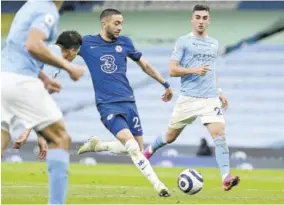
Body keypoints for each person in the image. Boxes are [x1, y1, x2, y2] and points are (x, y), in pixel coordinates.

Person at [143, 4, 240, 191]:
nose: (201, 21)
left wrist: (219, 91)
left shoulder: (213, 43)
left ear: (209, 20)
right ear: (192, 19)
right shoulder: (183, 42)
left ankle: (225, 177)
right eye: (198, 17)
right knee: (170, 137)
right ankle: (149, 150)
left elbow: (212, 71)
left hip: (210, 98)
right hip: (188, 98)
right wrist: (193, 70)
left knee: (219, 134)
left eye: (205, 18)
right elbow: (172, 70)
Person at [77, 8, 173, 197]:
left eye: (121, 23)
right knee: (131, 146)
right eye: (116, 23)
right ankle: (159, 185)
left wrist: (165, 83)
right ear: (104, 24)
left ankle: (99, 146)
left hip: (129, 101)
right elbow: (65, 53)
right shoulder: (87, 43)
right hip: (107, 104)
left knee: (136, 147)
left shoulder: (125, 42)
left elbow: (144, 65)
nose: (120, 27)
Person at [1, 1, 85, 204]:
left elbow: (20, 48)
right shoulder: (48, 10)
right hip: (21, 81)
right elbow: (33, 45)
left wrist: (45, 78)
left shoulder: (29, 6)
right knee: (60, 138)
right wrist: (69, 67)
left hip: (4, 76)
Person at [12, 30, 83, 160]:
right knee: (61, 138)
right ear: (72, 51)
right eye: (77, 53)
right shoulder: (54, 57)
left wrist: (40, 135)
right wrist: (27, 131)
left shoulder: (50, 51)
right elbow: (40, 92)